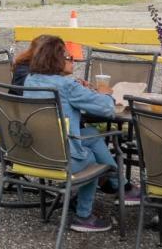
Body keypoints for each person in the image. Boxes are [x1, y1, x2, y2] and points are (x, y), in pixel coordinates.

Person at [23, 36, 140, 233]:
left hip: (34, 153)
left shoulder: (30, 80)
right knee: (92, 159)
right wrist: (104, 94)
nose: (72, 60)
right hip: (61, 158)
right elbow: (106, 109)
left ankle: (121, 185)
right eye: (68, 56)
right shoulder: (67, 86)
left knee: (92, 133)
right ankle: (84, 216)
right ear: (56, 59)